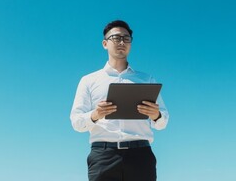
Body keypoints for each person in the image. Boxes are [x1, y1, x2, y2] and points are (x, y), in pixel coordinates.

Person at [70, 20, 169, 181]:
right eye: (116, 38)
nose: (122, 42)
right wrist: (95, 114)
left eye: (126, 38)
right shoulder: (89, 80)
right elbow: (76, 122)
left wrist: (156, 114)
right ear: (105, 43)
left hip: (141, 155)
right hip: (103, 156)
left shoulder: (146, 79)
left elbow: (163, 121)